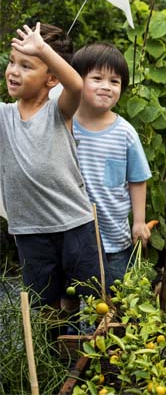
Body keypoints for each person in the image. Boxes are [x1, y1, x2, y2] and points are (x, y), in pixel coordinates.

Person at [1, 23, 103, 310]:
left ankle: (95, 350)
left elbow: (76, 85)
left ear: (51, 79)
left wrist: (43, 49)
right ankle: (57, 353)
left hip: (74, 224)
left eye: (26, 65)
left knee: (94, 297)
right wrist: (35, 55)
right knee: (45, 303)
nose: (13, 71)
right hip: (30, 231)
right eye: (11, 62)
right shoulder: (4, 116)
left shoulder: (59, 110)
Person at [71, 43, 152, 289]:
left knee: (112, 297)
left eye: (115, 81)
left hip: (114, 237)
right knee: (71, 295)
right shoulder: (66, 126)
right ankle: (71, 329)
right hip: (73, 236)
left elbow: (137, 178)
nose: (106, 86)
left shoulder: (125, 133)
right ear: (76, 81)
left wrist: (139, 221)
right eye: (97, 78)